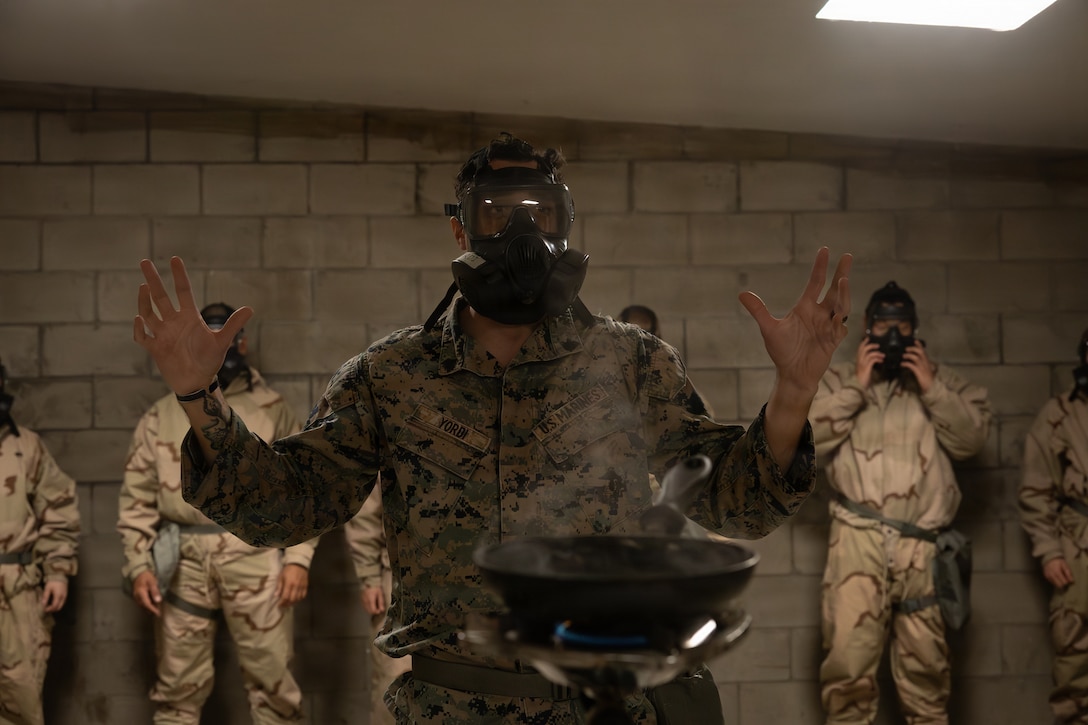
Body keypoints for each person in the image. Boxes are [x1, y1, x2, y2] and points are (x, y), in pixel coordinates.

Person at [133, 133, 853, 724]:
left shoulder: (629, 361)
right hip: (450, 706)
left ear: (565, 222)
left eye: (540, 212)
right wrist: (198, 394)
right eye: (496, 212)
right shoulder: (391, 374)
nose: (520, 232)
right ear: (460, 225)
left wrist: (793, 392)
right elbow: (285, 503)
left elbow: (738, 501)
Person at [118, 303, 318, 725]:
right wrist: (139, 565)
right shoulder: (161, 414)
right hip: (183, 561)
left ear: (241, 344)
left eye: (227, 339)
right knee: (176, 689)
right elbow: (136, 497)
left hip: (256, 554)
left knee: (274, 685)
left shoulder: (272, 408)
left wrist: (298, 560)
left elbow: (303, 490)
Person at [810, 281, 992, 725]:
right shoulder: (837, 381)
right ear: (866, 329)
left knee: (927, 674)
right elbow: (804, 440)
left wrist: (932, 388)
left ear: (915, 330)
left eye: (902, 326)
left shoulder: (944, 381)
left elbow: (971, 440)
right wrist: (857, 386)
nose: (892, 335)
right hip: (857, 540)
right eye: (882, 325)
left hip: (922, 549)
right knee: (848, 671)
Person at [0, 357, 81, 725]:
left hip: (18, 592)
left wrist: (58, 572)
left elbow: (59, 507)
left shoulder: (25, 446)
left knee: (21, 696)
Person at [1019, 327, 1088, 725]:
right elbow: (1036, 489)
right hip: (1078, 545)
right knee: (1075, 659)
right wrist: (1049, 551)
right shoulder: (1059, 415)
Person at [344, 488, 412, 725]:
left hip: (476, 582)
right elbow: (366, 508)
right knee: (394, 677)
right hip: (400, 578)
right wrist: (369, 576)